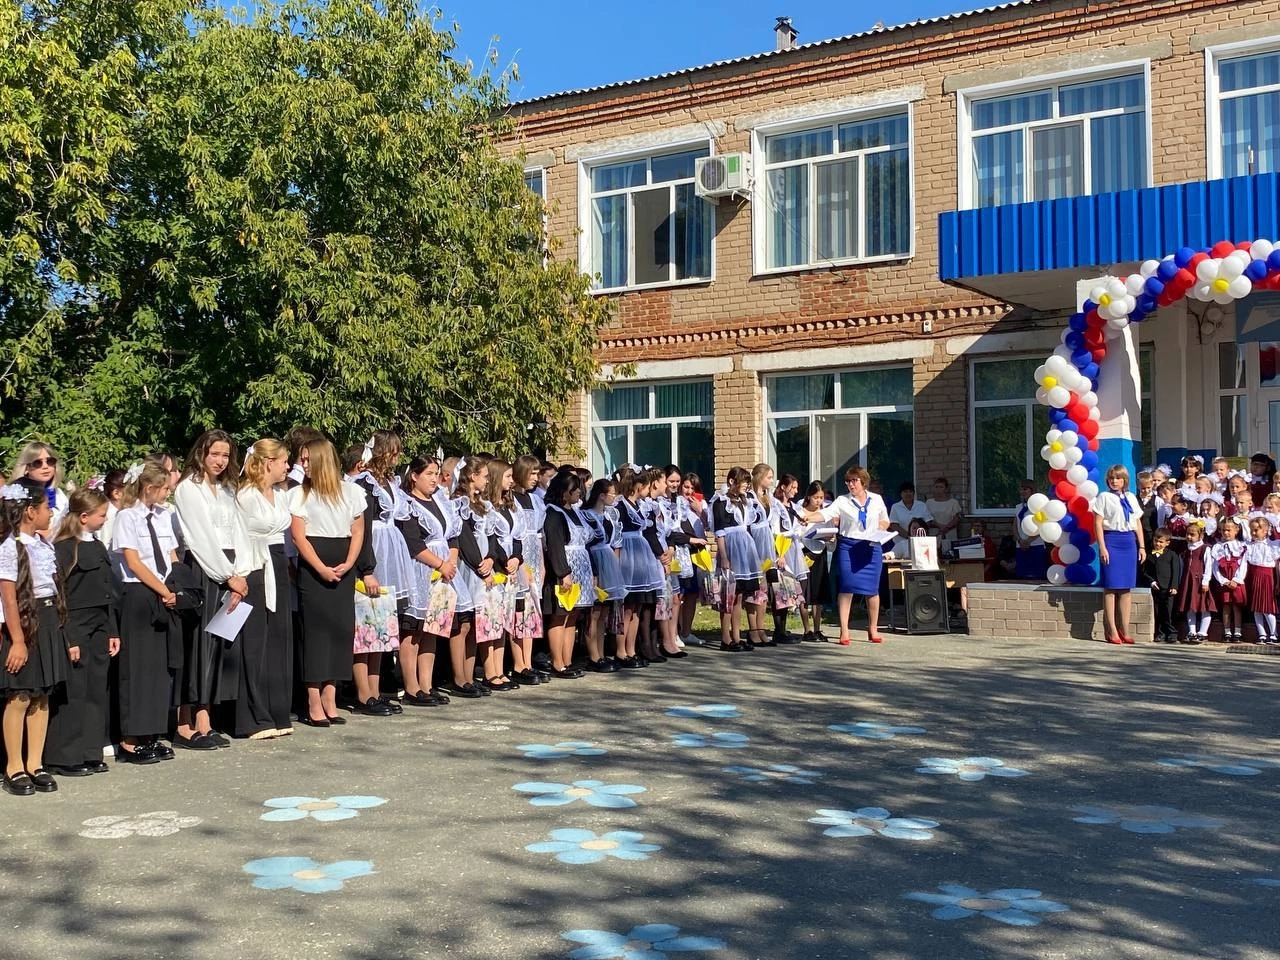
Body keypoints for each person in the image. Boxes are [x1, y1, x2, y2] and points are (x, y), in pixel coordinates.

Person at [173, 430, 254, 747]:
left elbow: (241, 532)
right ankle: (185, 722)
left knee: (220, 643)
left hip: (231, 568)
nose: (220, 461)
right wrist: (225, 574)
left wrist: (241, 573)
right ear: (201, 454)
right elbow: (199, 537)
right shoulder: (188, 489)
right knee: (198, 645)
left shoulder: (228, 489)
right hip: (205, 569)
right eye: (214, 454)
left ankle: (206, 716)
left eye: (225, 455)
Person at [289, 439, 367, 726]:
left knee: (339, 631)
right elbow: (299, 536)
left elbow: (358, 531)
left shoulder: (351, 492)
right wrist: (320, 568)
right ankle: (312, 698)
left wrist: (349, 563)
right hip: (314, 567)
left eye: (308, 460)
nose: (304, 465)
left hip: (343, 566)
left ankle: (331, 696)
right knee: (314, 633)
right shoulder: (299, 494)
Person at [0, 478, 68, 796]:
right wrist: (17, 639)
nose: (50, 513)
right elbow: (9, 597)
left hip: (47, 618)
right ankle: (14, 765)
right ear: (29, 511)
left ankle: (35, 762)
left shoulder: (42, 544)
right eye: (45, 508)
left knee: (41, 695)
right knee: (20, 696)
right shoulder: (9, 547)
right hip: (24, 622)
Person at [46, 488, 119, 774]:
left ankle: (90, 750)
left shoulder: (98, 546)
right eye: (101, 515)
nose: (105, 520)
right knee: (74, 691)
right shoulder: (65, 548)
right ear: (85, 516)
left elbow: (106, 591)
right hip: (76, 623)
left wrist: (112, 629)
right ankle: (65, 756)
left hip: (100, 623)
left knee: (95, 688)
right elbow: (62, 596)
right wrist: (69, 637)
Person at [110, 461, 179, 763]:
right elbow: (134, 562)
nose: (168, 492)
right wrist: (163, 591)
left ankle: (152, 732)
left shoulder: (164, 516)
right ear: (149, 488)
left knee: (159, 669)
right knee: (137, 668)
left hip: (165, 591)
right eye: (164, 488)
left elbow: (171, 554)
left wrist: (176, 586)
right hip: (140, 591)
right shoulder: (128, 517)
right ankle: (130, 738)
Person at [236, 439, 296, 738]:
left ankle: (277, 711)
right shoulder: (246, 495)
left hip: (277, 562)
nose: (288, 466)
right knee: (255, 641)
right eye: (284, 460)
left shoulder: (280, 495)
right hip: (254, 565)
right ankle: (253, 716)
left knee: (278, 638)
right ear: (268, 462)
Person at [349, 433, 410, 716]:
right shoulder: (365, 483)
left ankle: (375, 691)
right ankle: (363, 694)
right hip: (374, 557)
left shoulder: (390, 482)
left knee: (380, 629)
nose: (398, 456)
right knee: (366, 628)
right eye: (394, 451)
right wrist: (367, 570)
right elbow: (363, 530)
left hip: (391, 554)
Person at [799, 466, 890, 645]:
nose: (850, 484)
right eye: (847, 481)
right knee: (847, 587)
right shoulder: (842, 501)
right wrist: (808, 517)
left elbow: (885, 520)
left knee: (872, 590)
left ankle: (873, 628)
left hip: (871, 547)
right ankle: (844, 630)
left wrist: (881, 528)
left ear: (863, 481)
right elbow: (825, 514)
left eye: (854, 480)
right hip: (849, 547)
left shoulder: (876, 499)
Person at [396, 456, 459, 706]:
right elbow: (413, 544)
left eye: (436, 474)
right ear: (414, 476)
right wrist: (440, 563)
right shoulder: (407, 503)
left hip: (444, 571)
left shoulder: (439, 501)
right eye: (429, 474)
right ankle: (412, 688)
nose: (434, 479)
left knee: (432, 628)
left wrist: (450, 561)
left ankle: (427, 684)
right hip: (421, 569)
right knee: (414, 630)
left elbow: (453, 535)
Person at [542, 471, 593, 678]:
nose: (579, 492)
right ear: (564, 492)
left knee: (573, 616)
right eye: (574, 489)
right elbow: (555, 546)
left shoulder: (576, 511)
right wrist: (564, 573)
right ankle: (557, 662)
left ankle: (568, 660)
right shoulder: (554, 513)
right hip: (564, 570)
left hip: (581, 567)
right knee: (559, 617)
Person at [616, 468, 666, 664]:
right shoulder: (620, 506)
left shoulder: (639, 506)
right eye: (645, 485)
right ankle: (621, 650)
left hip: (640, 555)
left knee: (637, 607)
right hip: (628, 556)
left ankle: (631, 649)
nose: (648, 488)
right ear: (637, 486)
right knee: (627, 608)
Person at [1092, 464, 1146, 645]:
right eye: (1111, 478)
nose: (1114, 481)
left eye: (1118, 478)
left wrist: (1142, 546)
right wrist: (1103, 547)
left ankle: (1125, 628)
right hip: (1111, 541)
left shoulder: (1131, 497)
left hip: (1128, 542)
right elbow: (1098, 523)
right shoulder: (1104, 497)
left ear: (1125, 480)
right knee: (1111, 587)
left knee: (1125, 589)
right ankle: (1112, 630)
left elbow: (1137, 523)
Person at [582, 479, 624, 672]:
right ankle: (593, 655)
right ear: (601, 495)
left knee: (604, 611)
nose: (614, 498)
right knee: (595, 612)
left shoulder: (609, 516)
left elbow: (615, 542)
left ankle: (601, 653)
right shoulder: (587, 516)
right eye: (611, 494)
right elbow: (588, 544)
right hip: (595, 561)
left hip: (608, 561)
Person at [796, 482, 834, 642]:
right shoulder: (799, 510)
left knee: (818, 593)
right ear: (808, 496)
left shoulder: (825, 513)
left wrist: (830, 538)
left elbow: (832, 538)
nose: (819, 501)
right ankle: (807, 629)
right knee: (804, 593)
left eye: (821, 498)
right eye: (816, 497)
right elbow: (796, 533)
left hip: (820, 553)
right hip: (804, 552)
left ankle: (818, 628)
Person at [10, 442, 68, 536]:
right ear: (26, 468)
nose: (45, 467)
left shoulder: (59, 495)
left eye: (50, 461)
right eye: (37, 463)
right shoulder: (17, 495)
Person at [1209, 517, 1247, 642]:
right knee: (1226, 606)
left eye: (1229, 530)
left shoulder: (1241, 546)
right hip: (1224, 580)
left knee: (1236, 606)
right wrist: (1223, 580)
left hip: (1236, 581)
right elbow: (1215, 567)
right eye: (1223, 530)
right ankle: (1227, 632)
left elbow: (1243, 565)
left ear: (1236, 530)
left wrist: (1236, 579)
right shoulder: (1217, 547)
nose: (1226, 533)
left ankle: (1237, 631)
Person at [1177, 520, 1214, 644]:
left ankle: (1203, 632)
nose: (1189, 537)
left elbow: (1208, 566)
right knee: (1190, 607)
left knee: (1204, 606)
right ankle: (1191, 631)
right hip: (1188, 581)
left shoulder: (1205, 549)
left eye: (1192, 534)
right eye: (1187, 534)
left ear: (1201, 535)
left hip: (1200, 581)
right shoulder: (1186, 550)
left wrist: (1206, 581)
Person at [1142, 527, 1181, 643]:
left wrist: (1174, 586)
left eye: (1160, 542)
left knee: (1169, 612)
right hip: (1156, 588)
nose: (1157, 544)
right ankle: (1161, 633)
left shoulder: (1172, 555)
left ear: (1167, 543)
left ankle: (1172, 633)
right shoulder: (1149, 555)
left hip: (1168, 588)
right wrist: (1152, 581)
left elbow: (1176, 571)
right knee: (1158, 612)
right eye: (1155, 541)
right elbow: (1145, 571)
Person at [1245, 517, 1277, 643]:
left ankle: (1273, 633)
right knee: (1257, 607)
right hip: (1254, 576)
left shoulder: (1273, 546)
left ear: (1265, 530)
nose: (1253, 533)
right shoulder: (1249, 546)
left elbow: (1276, 566)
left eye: (1256, 530)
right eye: (1251, 530)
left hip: (1267, 577)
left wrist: (1278, 582)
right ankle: (1262, 634)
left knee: (1267, 607)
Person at [888, 481, 933, 560]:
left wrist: (918, 535)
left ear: (914, 493)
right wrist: (909, 536)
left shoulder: (921, 505)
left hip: (921, 543)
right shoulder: (895, 507)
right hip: (901, 542)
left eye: (910, 491)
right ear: (901, 494)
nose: (908, 494)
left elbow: (928, 522)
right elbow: (894, 525)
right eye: (905, 492)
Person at [924, 477, 963, 554]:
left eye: (941, 487)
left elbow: (956, 518)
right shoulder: (929, 503)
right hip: (934, 534)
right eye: (936, 487)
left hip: (949, 534)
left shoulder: (953, 503)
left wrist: (946, 528)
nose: (938, 489)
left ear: (946, 489)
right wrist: (940, 526)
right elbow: (927, 518)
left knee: (949, 554)